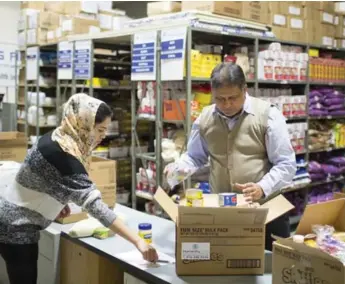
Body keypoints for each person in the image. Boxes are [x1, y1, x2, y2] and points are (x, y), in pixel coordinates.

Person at [0, 93, 158, 284]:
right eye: (100, 129)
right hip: (17, 228)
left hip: (10, 216)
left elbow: (39, 178)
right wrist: (138, 241)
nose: (103, 135)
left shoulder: (56, 137)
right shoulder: (64, 155)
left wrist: (56, 201)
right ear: (83, 125)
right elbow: (97, 208)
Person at [165, 63, 297, 251]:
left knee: (269, 271)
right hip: (223, 212)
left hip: (266, 211)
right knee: (227, 265)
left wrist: (262, 187)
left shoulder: (268, 115)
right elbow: (195, 157)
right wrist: (177, 168)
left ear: (245, 90)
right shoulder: (205, 118)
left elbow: (286, 164)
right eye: (220, 99)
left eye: (233, 98)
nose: (227, 105)